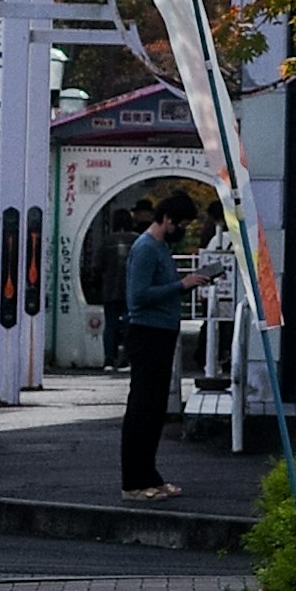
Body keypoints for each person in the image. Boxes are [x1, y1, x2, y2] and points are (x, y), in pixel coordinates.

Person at [116, 193, 201, 498]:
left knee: (153, 409)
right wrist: (182, 285)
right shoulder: (146, 249)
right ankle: (134, 482)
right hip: (147, 333)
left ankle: (149, 477)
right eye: (180, 223)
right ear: (166, 219)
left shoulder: (160, 247)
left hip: (161, 333)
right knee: (142, 408)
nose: (182, 229)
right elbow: (138, 296)